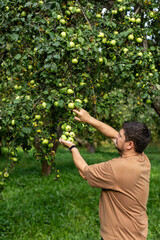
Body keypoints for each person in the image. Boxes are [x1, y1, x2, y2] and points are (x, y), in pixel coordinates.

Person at [59, 108, 151, 240]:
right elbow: (112, 134)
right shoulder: (142, 158)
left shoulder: (116, 168)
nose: (116, 137)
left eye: (120, 136)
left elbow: (85, 172)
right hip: (137, 232)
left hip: (119, 236)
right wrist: (89, 119)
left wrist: (72, 147)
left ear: (130, 144)